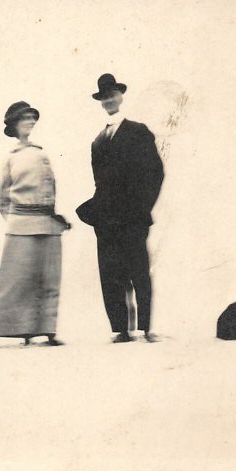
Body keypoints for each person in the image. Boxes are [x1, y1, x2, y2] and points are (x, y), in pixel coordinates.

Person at [76, 74, 165, 343]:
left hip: (133, 217)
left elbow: (155, 173)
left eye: (112, 94)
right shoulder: (97, 141)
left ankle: (148, 329)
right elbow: (99, 182)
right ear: (100, 101)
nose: (109, 100)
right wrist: (98, 212)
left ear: (121, 96)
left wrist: (141, 208)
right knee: (111, 274)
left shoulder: (139, 131)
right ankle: (121, 330)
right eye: (104, 96)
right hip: (107, 220)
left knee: (139, 272)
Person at [0, 101, 70, 346]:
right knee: (21, 279)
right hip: (21, 223)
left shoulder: (41, 153)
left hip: (47, 223)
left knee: (49, 278)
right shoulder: (11, 158)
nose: (30, 122)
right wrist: (16, 220)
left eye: (32, 118)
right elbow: (3, 195)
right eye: (25, 118)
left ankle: (48, 330)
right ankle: (24, 331)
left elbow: (51, 188)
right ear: (15, 125)